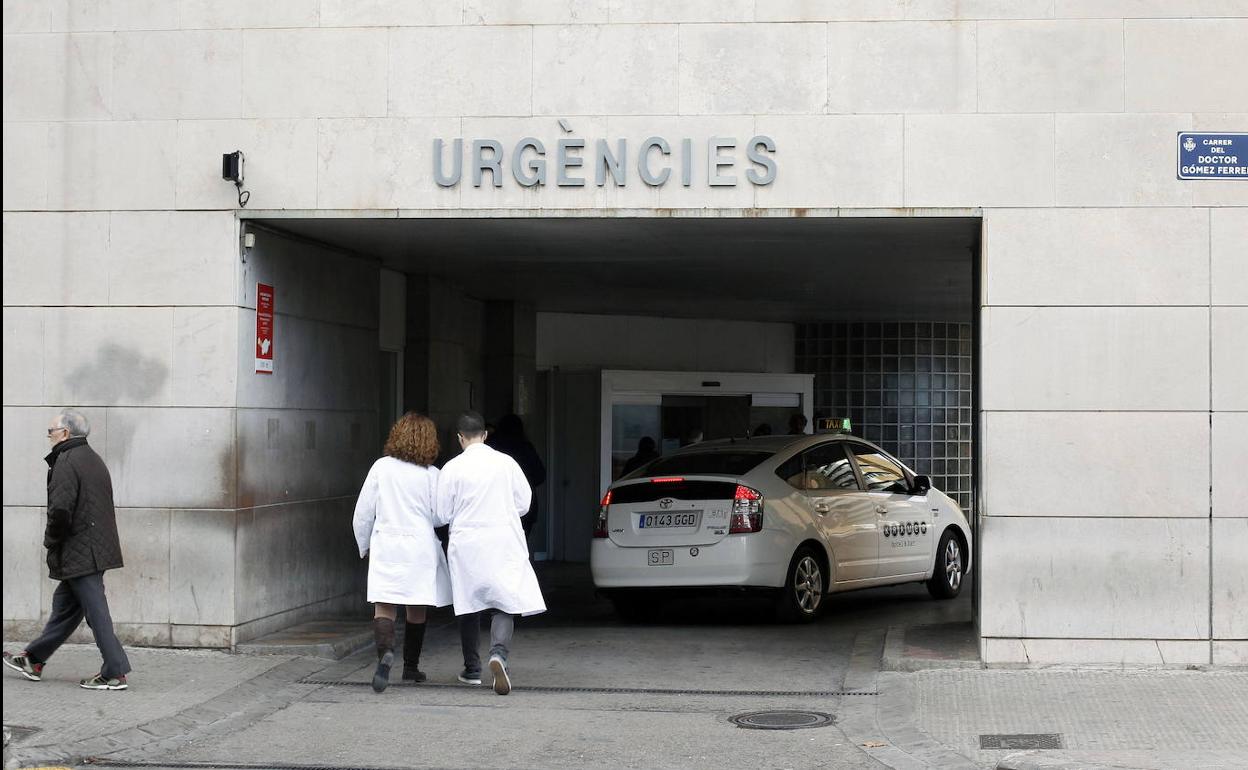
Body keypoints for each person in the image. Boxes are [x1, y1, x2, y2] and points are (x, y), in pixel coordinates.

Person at [3, 409, 131, 690]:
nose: (48, 436)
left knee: (96, 613)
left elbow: (60, 510)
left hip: (81, 550)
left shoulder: (67, 461)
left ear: (65, 433)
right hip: (92, 548)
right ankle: (33, 659)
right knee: (65, 609)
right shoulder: (92, 459)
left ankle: (114, 672)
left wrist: (51, 540)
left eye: (51, 431)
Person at [436, 411, 546, 696]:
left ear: (460, 438)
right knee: (504, 602)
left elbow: (442, 513)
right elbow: (524, 503)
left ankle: (472, 669)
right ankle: (499, 655)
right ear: (485, 435)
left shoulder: (451, 468)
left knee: (468, 602)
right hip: (502, 539)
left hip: (467, 542)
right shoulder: (506, 463)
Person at [352, 412, 452, 693]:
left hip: (386, 542)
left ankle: (384, 655)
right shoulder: (433, 475)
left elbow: (363, 513)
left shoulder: (381, 468)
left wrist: (364, 545)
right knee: (416, 606)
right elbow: (440, 516)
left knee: (384, 604)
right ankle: (411, 666)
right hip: (419, 545)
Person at [486, 414, 546, 537]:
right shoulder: (525, 447)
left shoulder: (492, 446)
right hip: (525, 507)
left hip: (496, 504)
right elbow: (540, 475)